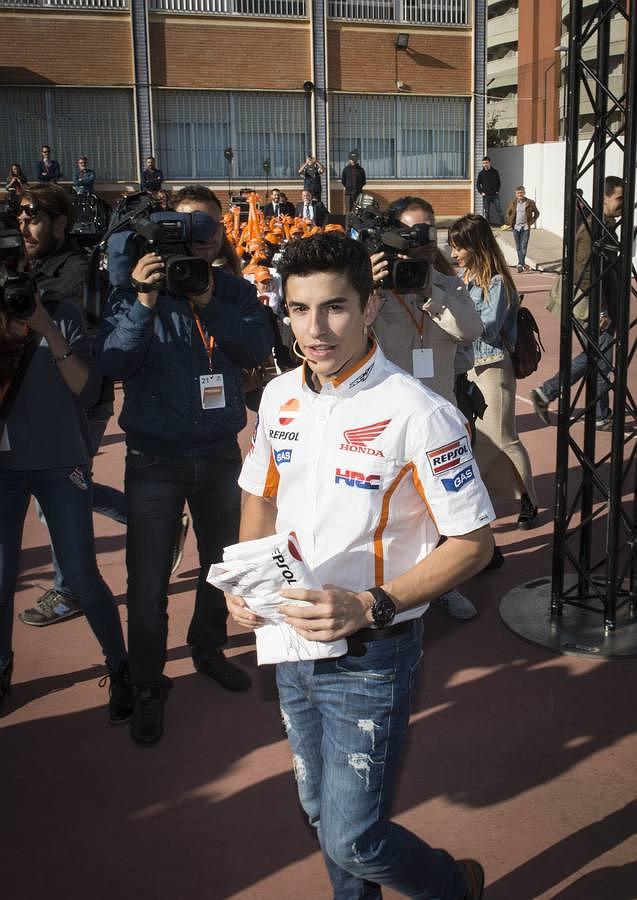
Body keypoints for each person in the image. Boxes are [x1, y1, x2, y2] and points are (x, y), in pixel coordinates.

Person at [227, 232, 493, 900]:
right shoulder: (280, 395)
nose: (313, 329)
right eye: (297, 309)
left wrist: (369, 604)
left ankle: (451, 887)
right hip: (288, 640)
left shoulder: (421, 413)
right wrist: (248, 575)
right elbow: (259, 495)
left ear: (370, 306)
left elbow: (473, 545)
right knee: (321, 813)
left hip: (371, 652)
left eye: (334, 308)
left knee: (353, 835)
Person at [95, 184, 274, 746]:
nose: (198, 241)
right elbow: (113, 362)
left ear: (222, 236)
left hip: (220, 456)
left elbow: (253, 350)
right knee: (147, 581)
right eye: (187, 227)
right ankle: (148, 682)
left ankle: (207, 648)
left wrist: (207, 302)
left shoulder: (235, 291)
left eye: (210, 230)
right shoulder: (132, 292)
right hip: (154, 460)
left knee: (219, 568)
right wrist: (145, 301)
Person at [0, 228, 131, 722]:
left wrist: (43, 326)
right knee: (0, 579)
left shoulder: (58, 308)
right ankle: (2, 667)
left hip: (61, 462)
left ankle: (119, 669)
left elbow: (83, 386)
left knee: (80, 573)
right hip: (4, 469)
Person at [14, 184, 128, 626]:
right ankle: (149, 518)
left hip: (81, 401)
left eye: (34, 216)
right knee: (58, 497)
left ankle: (69, 590)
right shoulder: (29, 265)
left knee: (54, 499)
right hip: (37, 404)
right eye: (19, 216)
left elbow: (48, 325)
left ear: (60, 222)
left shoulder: (75, 270)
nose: (24, 224)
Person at [370, 196, 485, 619]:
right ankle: (388, 589)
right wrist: (368, 289)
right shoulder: (374, 286)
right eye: (412, 231)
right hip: (385, 421)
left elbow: (471, 330)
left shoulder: (447, 284)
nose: (421, 241)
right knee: (387, 512)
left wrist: (429, 292)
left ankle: (441, 588)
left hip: (438, 417)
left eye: (429, 230)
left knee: (439, 510)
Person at [449, 214, 538, 529]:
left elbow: (486, 329)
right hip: (467, 367)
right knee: (476, 438)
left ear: (476, 246)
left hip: (492, 367)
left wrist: (450, 312)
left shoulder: (496, 281)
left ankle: (524, 499)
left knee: (502, 437)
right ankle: (484, 499)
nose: (453, 254)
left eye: (458, 247)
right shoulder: (465, 277)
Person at [530, 176, 623, 432]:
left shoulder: (604, 223)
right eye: (619, 198)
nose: (623, 204)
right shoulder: (593, 225)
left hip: (598, 302)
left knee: (601, 357)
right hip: (589, 303)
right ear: (604, 198)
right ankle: (548, 391)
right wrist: (601, 308)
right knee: (598, 354)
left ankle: (600, 413)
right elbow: (583, 267)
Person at [505, 186, 540, 272]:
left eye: (521, 193)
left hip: (525, 227)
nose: (520, 194)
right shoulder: (513, 202)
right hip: (516, 228)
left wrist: (531, 222)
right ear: (516, 194)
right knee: (518, 247)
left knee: (523, 247)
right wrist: (510, 222)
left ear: (524, 193)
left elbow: (537, 213)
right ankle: (522, 263)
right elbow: (508, 213)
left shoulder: (530, 202)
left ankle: (520, 264)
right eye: (518, 193)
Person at [476, 157, 501, 226]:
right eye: (483, 163)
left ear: (489, 163)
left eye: (486, 163)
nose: (485, 164)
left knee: (499, 210)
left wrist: (497, 191)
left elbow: (498, 182)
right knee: (486, 211)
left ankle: (503, 225)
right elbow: (478, 185)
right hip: (486, 195)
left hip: (494, 195)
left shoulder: (495, 171)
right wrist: (482, 193)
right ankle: (488, 226)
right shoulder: (481, 173)